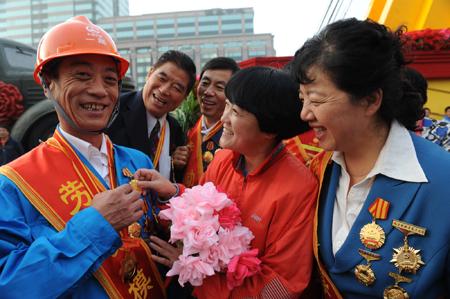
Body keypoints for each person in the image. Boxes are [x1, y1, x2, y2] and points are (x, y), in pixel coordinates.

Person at [0, 16, 166, 298]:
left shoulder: (138, 162)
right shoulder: (13, 183)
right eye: (82, 75)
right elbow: (10, 285)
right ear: (47, 84)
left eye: (110, 80)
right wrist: (96, 225)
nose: (100, 90)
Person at [292, 18, 450, 298]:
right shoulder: (316, 168)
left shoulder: (441, 180)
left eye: (316, 101)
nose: (305, 114)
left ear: (370, 100)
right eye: (302, 99)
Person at [134, 66, 318, 298]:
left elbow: (281, 287)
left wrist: (193, 273)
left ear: (269, 129)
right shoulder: (223, 159)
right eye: (227, 105)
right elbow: (199, 208)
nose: (223, 118)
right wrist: (172, 192)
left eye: (236, 112)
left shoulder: (298, 187)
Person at [107, 50, 196, 183]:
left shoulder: (174, 128)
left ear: (184, 98)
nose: (164, 90)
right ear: (149, 73)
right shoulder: (113, 110)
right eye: (162, 78)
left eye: (177, 88)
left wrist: (175, 165)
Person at [175, 57, 239, 187]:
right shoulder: (184, 129)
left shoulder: (237, 138)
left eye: (219, 87)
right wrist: (174, 165)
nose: (208, 92)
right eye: (205, 83)